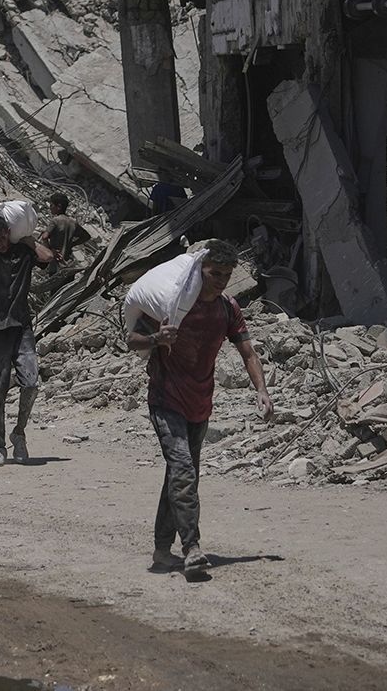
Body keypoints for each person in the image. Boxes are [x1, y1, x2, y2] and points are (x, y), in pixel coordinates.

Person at [127, 241, 272, 580]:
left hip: (200, 403)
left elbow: (248, 352)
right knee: (183, 471)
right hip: (165, 400)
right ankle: (191, 548)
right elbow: (131, 339)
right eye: (214, 273)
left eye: (226, 275)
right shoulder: (173, 304)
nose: (220, 281)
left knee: (181, 474)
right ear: (200, 270)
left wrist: (262, 391)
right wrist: (156, 339)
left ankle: (162, 550)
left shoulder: (227, 309)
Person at [0, 203, 55, 467]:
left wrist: (26, 238)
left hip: (22, 328)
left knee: (31, 383)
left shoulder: (24, 251)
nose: (0, 243)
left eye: (3, 237)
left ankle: (19, 433)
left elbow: (48, 256)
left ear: (9, 232)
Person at [42, 193, 92, 269]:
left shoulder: (55, 221)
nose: (50, 207)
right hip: (67, 260)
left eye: (51, 205)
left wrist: (51, 250)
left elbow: (44, 237)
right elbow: (86, 236)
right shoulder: (73, 223)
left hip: (55, 260)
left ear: (59, 207)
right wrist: (72, 244)